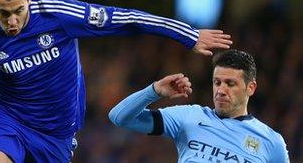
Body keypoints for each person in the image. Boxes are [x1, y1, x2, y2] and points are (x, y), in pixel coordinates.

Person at [0, 0, 232, 163]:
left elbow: (125, 19)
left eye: (18, 11)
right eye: (4, 13)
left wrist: (188, 35)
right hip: (10, 121)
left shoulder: (59, 15)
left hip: (57, 132)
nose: (12, 21)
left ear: (30, 0)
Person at [109, 49, 289, 162]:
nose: (221, 90)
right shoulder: (189, 117)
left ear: (251, 87)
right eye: (217, 82)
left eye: (230, 83)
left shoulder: (271, 142)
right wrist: (154, 91)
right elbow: (119, 117)